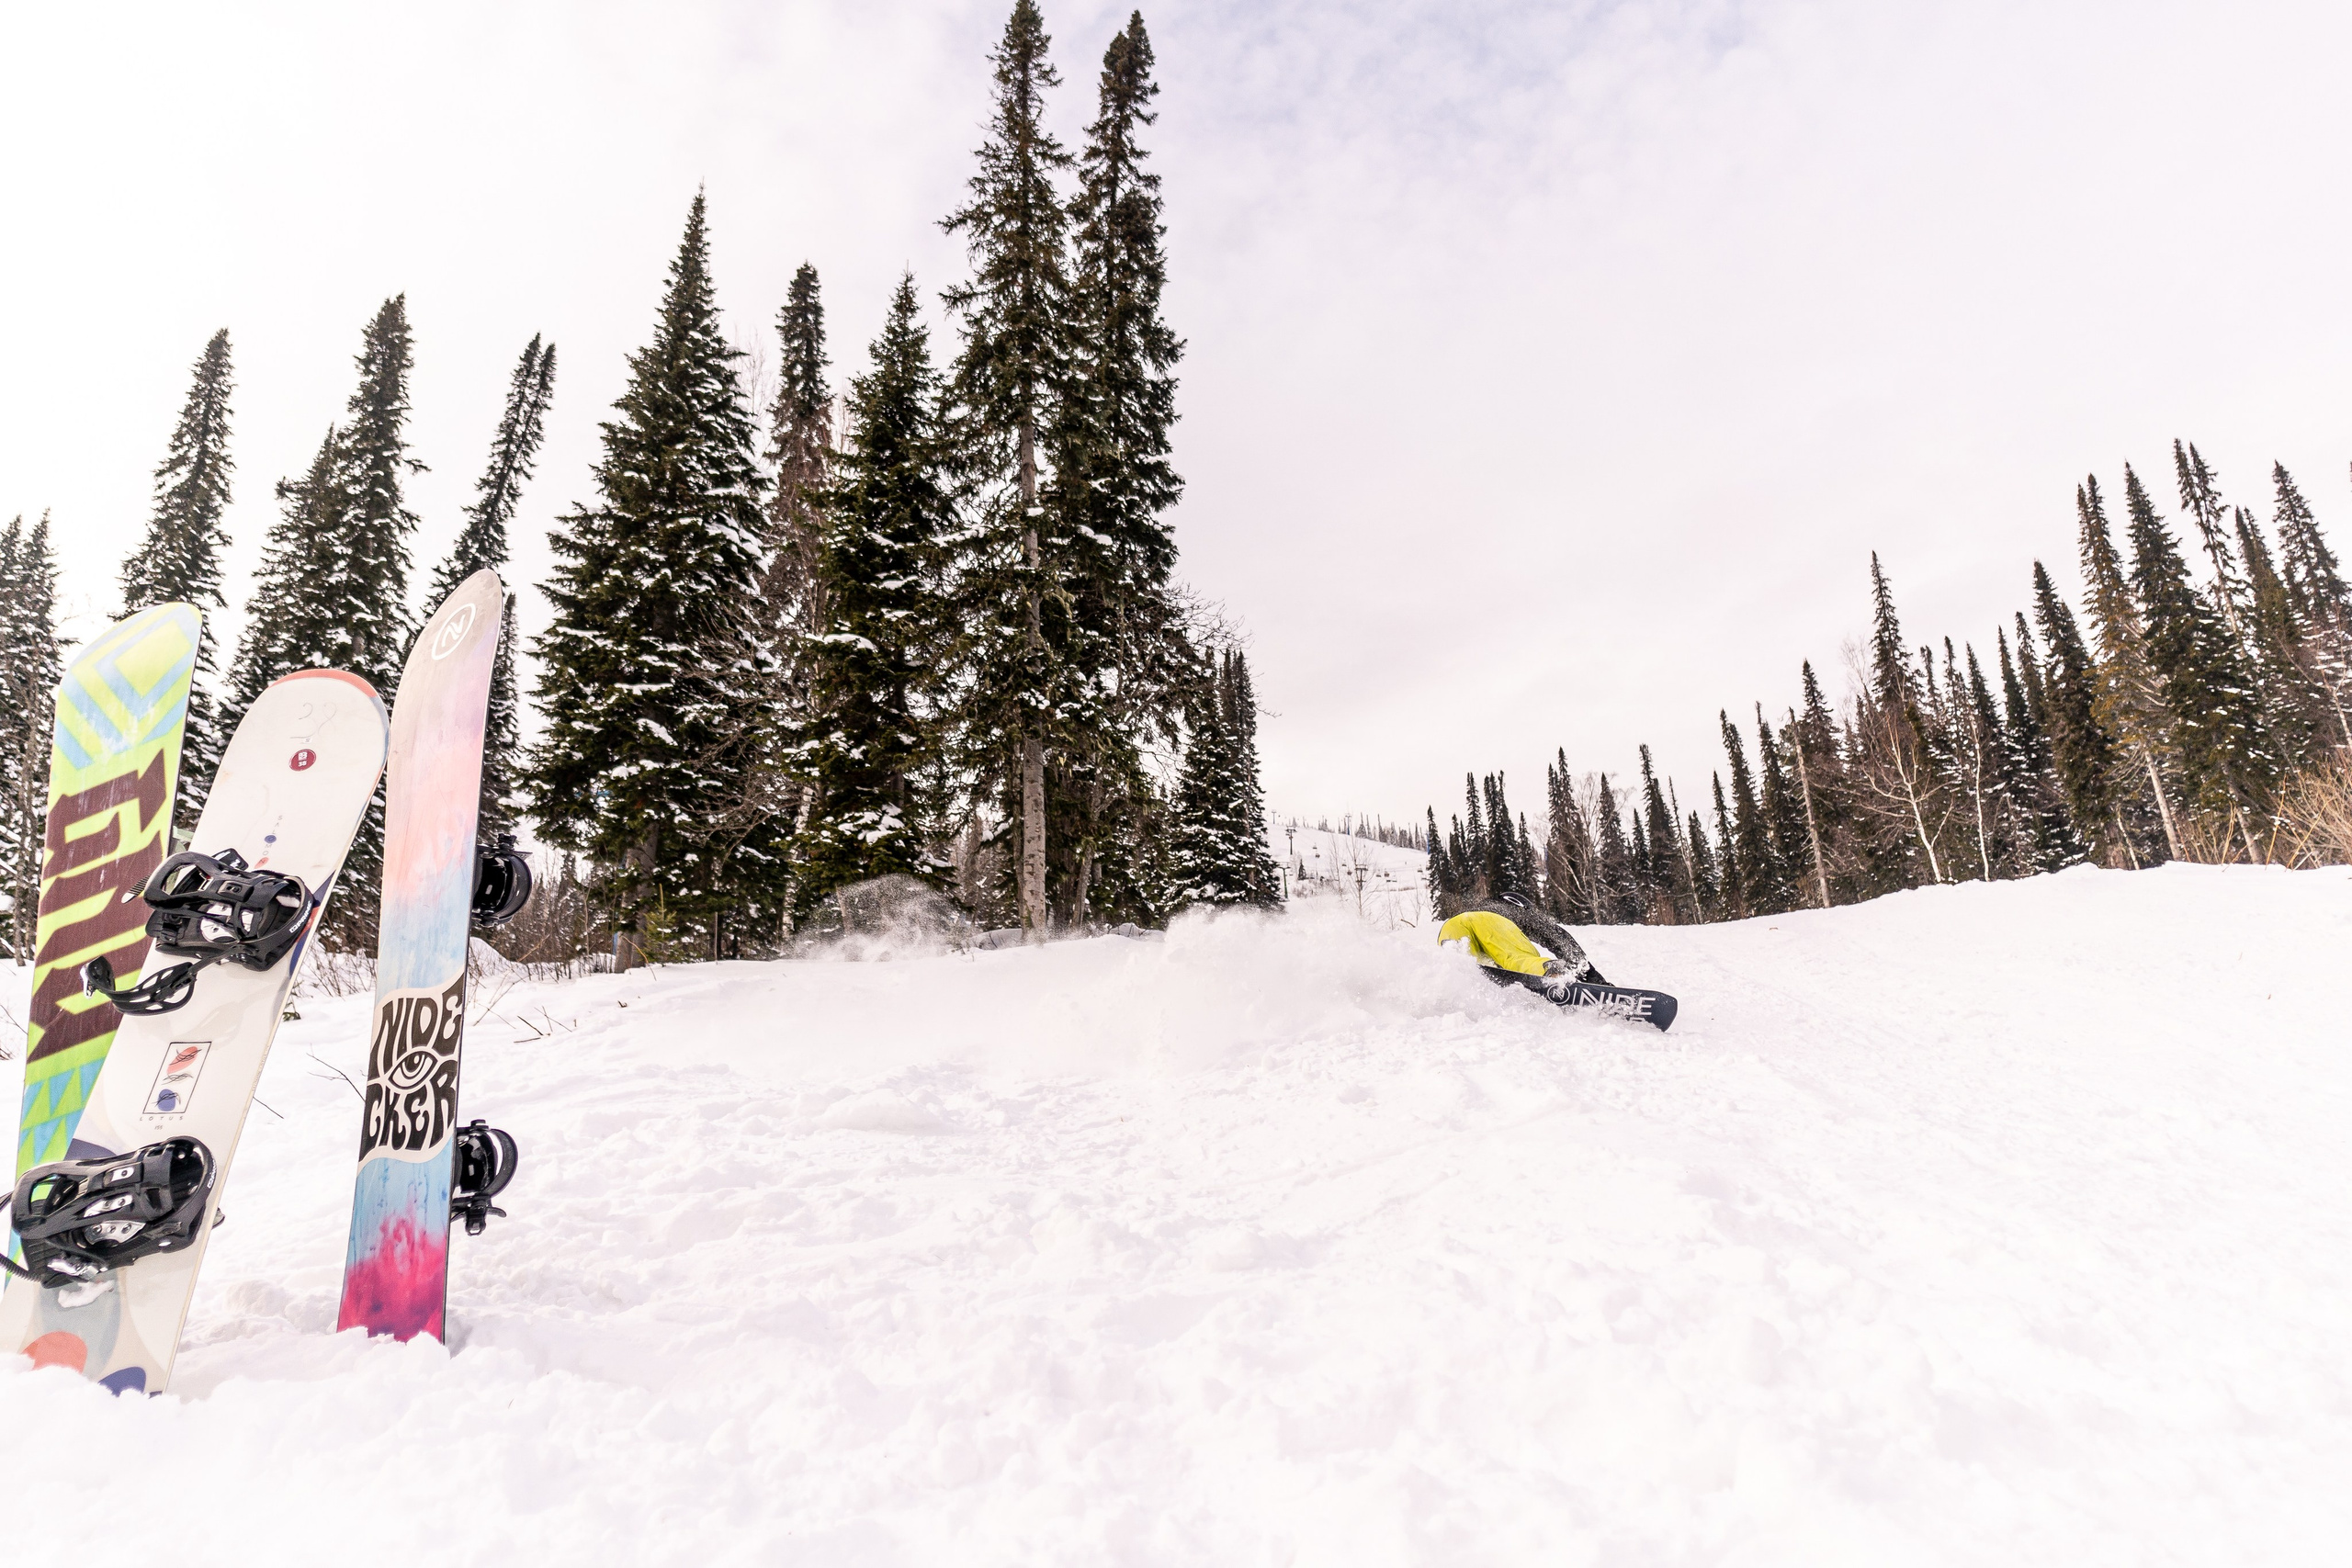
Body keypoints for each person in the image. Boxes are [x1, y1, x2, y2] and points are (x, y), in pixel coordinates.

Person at [1436, 895, 1611, 995]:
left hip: (1449, 927)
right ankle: (1550, 970)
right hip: (1488, 923)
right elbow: (1556, 937)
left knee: (1466, 970)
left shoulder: (1478, 909)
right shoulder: (1512, 913)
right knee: (1518, 957)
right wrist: (1592, 976)